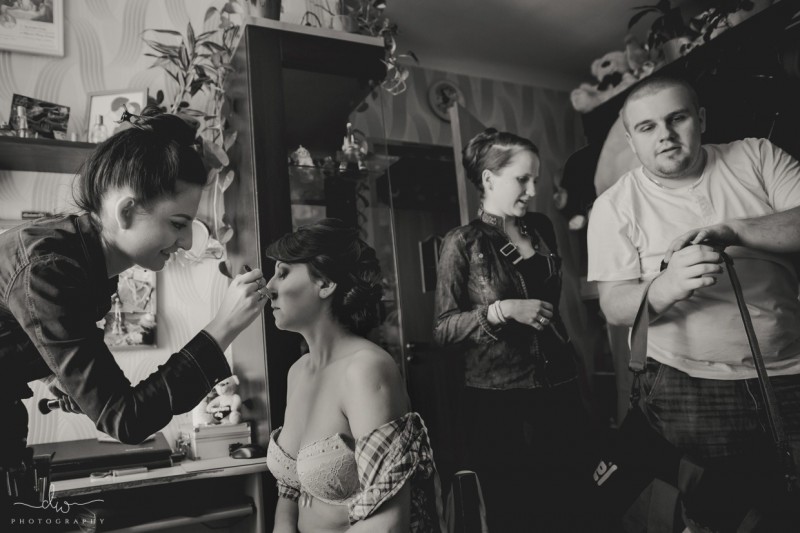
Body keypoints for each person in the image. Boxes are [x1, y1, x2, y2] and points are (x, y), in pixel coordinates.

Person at [0, 107, 268, 509]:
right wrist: (223, 327)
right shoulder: (49, 268)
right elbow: (127, 419)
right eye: (177, 223)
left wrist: (56, 374)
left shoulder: (81, 261)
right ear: (126, 211)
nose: (185, 242)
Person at [587, 75, 800, 527]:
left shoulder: (756, 156)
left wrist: (735, 230)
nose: (664, 134)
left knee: (787, 507)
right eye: (646, 127)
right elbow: (614, 307)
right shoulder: (614, 206)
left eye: (677, 118)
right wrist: (664, 287)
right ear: (631, 139)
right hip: (690, 385)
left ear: (700, 119)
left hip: (791, 371)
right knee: (712, 512)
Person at [433, 128, 589, 532]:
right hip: (498, 402)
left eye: (535, 179)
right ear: (489, 179)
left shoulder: (542, 229)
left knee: (573, 500)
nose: (533, 190)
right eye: (523, 179)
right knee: (517, 509)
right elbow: (443, 330)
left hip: (561, 385)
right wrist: (501, 311)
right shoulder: (461, 243)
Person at [264, 218, 444, 533]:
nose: (269, 288)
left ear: (325, 284)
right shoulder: (298, 372)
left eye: (283, 273)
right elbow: (290, 490)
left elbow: (389, 522)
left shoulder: (366, 370)